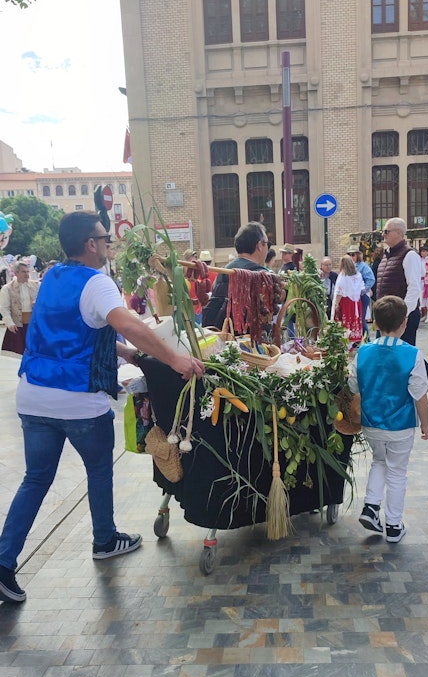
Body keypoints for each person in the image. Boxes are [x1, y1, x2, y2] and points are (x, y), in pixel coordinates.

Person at [0, 211, 204, 604]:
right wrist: (175, 359)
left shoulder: (53, 278)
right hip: (77, 398)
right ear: (91, 244)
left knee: (36, 479)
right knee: (98, 469)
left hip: (33, 394)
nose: (109, 244)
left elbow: (78, 330)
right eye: (105, 238)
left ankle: (4, 562)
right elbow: (128, 324)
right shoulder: (97, 282)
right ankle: (105, 539)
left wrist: (125, 353)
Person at [349, 295, 428, 543]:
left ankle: (371, 506)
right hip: (400, 426)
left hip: (371, 423)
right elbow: (419, 394)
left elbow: (353, 386)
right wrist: (425, 424)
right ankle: (393, 525)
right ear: (404, 323)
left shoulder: (363, 351)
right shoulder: (412, 354)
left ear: (375, 323)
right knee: (397, 472)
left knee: (379, 461)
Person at [376, 217, 428, 406]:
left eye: (387, 231)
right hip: (386, 316)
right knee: (390, 353)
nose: (383, 234)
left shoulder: (409, 255)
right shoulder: (387, 255)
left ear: (399, 233)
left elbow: (414, 288)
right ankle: (394, 391)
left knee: (407, 355)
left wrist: (402, 316)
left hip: (402, 317)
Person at [202, 221, 270, 330]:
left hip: (220, 334)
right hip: (246, 336)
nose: (267, 248)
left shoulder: (223, 271)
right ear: (259, 246)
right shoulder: (261, 275)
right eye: (267, 244)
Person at [0, 259, 40, 356]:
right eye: (23, 272)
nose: (27, 274)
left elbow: (45, 300)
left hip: (33, 325)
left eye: (27, 272)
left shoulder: (37, 285)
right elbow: (4, 308)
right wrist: (9, 323)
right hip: (17, 326)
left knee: (35, 352)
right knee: (17, 354)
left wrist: (38, 302)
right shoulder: (7, 288)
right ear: (16, 273)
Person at [331, 254, 364, 348]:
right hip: (356, 302)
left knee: (344, 323)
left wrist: (336, 304)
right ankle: (353, 343)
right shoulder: (358, 275)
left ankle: (346, 344)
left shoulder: (343, 276)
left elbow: (340, 292)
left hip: (346, 302)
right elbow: (362, 288)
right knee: (354, 320)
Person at [347, 245, 375, 337]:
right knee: (355, 318)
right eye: (349, 255)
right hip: (352, 297)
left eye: (353, 255)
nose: (351, 257)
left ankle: (366, 339)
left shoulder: (363, 266)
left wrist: (363, 290)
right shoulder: (348, 267)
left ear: (358, 255)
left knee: (361, 318)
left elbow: (371, 279)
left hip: (362, 296)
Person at [419, 244, 428, 322]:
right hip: (420, 281)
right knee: (421, 299)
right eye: (421, 251)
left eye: (424, 251)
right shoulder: (419, 260)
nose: (422, 253)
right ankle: (423, 314)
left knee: (427, 298)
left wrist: (427, 272)